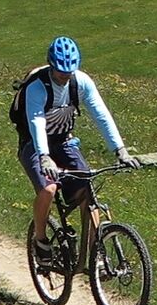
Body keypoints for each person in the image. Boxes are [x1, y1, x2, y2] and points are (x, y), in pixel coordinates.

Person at [15, 35, 135, 253]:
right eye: (60, 71)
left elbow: (101, 115)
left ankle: (95, 252)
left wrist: (120, 150)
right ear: (51, 65)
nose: (65, 76)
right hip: (33, 143)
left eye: (69, 71)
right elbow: (37, 122)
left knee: (87, 188)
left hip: (63, 140)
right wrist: (44, 156)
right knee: (49, 188)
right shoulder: (37, 87)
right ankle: (40, 240)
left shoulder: (81, 82)